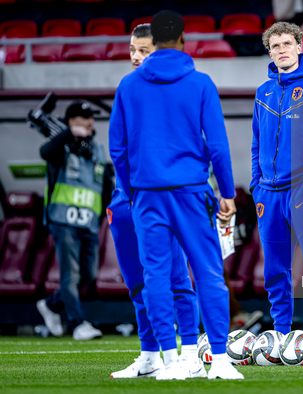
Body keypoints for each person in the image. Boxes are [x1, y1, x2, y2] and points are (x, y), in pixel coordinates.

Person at [109, 10, 242, 380]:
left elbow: (117, 148)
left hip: (146, 195)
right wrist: (227, 193)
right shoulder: (200, 83)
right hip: (191, 192)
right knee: (208, 272)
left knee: (155, 276)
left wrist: (130, 190)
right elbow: (217, 145)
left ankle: (168, 360)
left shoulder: (129, 85)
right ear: (183, 40)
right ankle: (219, 361)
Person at [108, 23, 203, 379]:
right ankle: (150, 355)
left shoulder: (179, 91)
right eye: (133, 50)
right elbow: (117, 149)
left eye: (143, 50)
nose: (136, 57)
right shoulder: (128, 91)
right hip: (125, 199)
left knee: (176, 279)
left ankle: (187, 354)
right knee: (137, 281)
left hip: (161, 199)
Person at [250, 22, 303, 335]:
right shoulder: (263, 92)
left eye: (287, 44)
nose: (282, 51)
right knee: (275, 270)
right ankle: (282, 333)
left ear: (300, 47)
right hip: (268, 196)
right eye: (276, 46)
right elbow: (256, 143)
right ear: (269, 52)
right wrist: (256, 185)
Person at [36, 101, 113, 341]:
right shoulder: (62, 148)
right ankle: (78, 324)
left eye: (91, 118)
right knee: (71, 275)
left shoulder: (97, 151)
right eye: (82, 118)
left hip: (88, 223)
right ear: (71, 122)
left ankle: (50, 305)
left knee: (88, 276)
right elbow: (45, 152)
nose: (89, 122)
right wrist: (69, 134)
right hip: (63, 220)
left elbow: (105, 190)